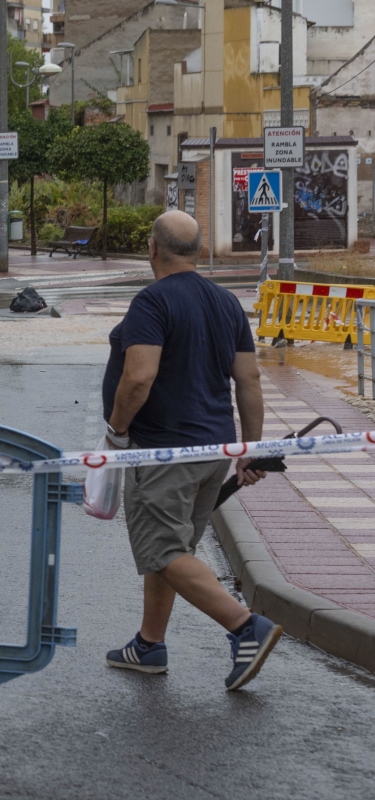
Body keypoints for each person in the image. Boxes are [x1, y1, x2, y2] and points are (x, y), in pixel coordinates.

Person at [102, 210, 281, 691]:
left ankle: (247, 627)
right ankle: (148, 644)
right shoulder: (226, 303)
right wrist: (250, 449)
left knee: (161, 550)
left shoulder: (151, 302)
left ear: (152, 248)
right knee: (172, 550)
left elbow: (139, 377)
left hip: (163, 452)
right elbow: (249, 380)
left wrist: (117, 432)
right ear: (198, 251)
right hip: (214, 448)